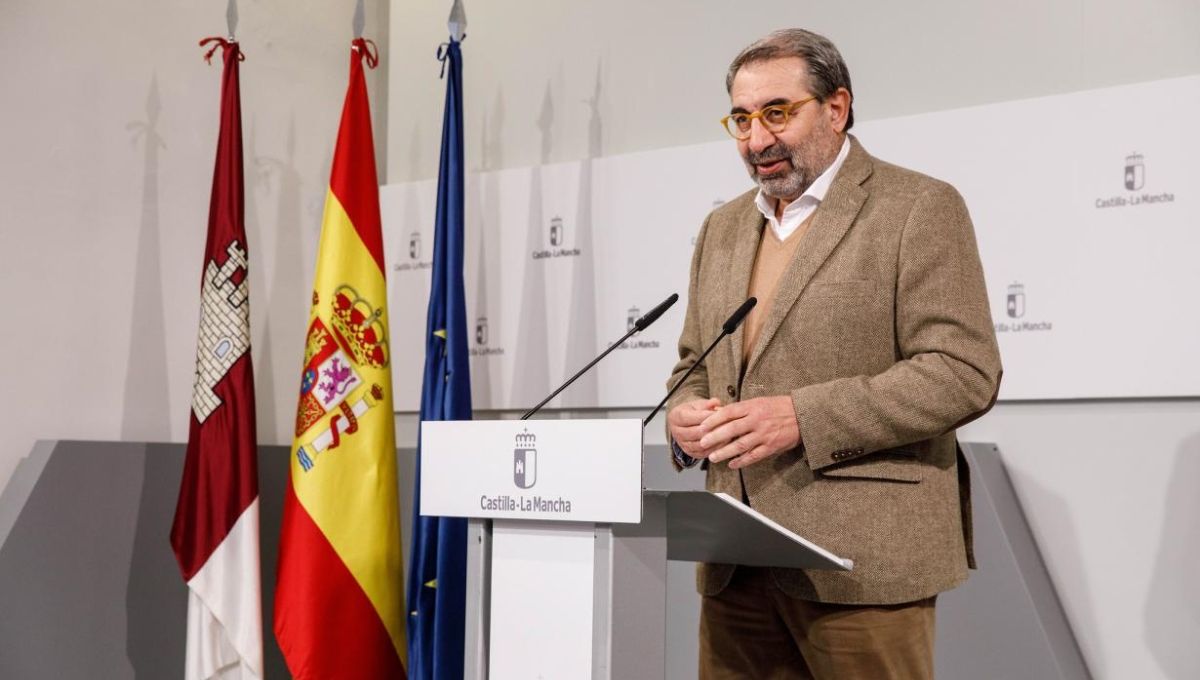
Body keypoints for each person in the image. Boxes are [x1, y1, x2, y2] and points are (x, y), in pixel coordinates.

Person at [665, 28, 1002, 679]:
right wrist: (686, 419)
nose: (756, 139)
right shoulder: (723, 226)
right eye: (741, 118)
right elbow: (694, 362)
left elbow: (963, 372)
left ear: (837, 108)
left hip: (860, 563)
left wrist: (802, 416)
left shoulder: (917, 208)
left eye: (777, 113)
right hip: (736, 557)